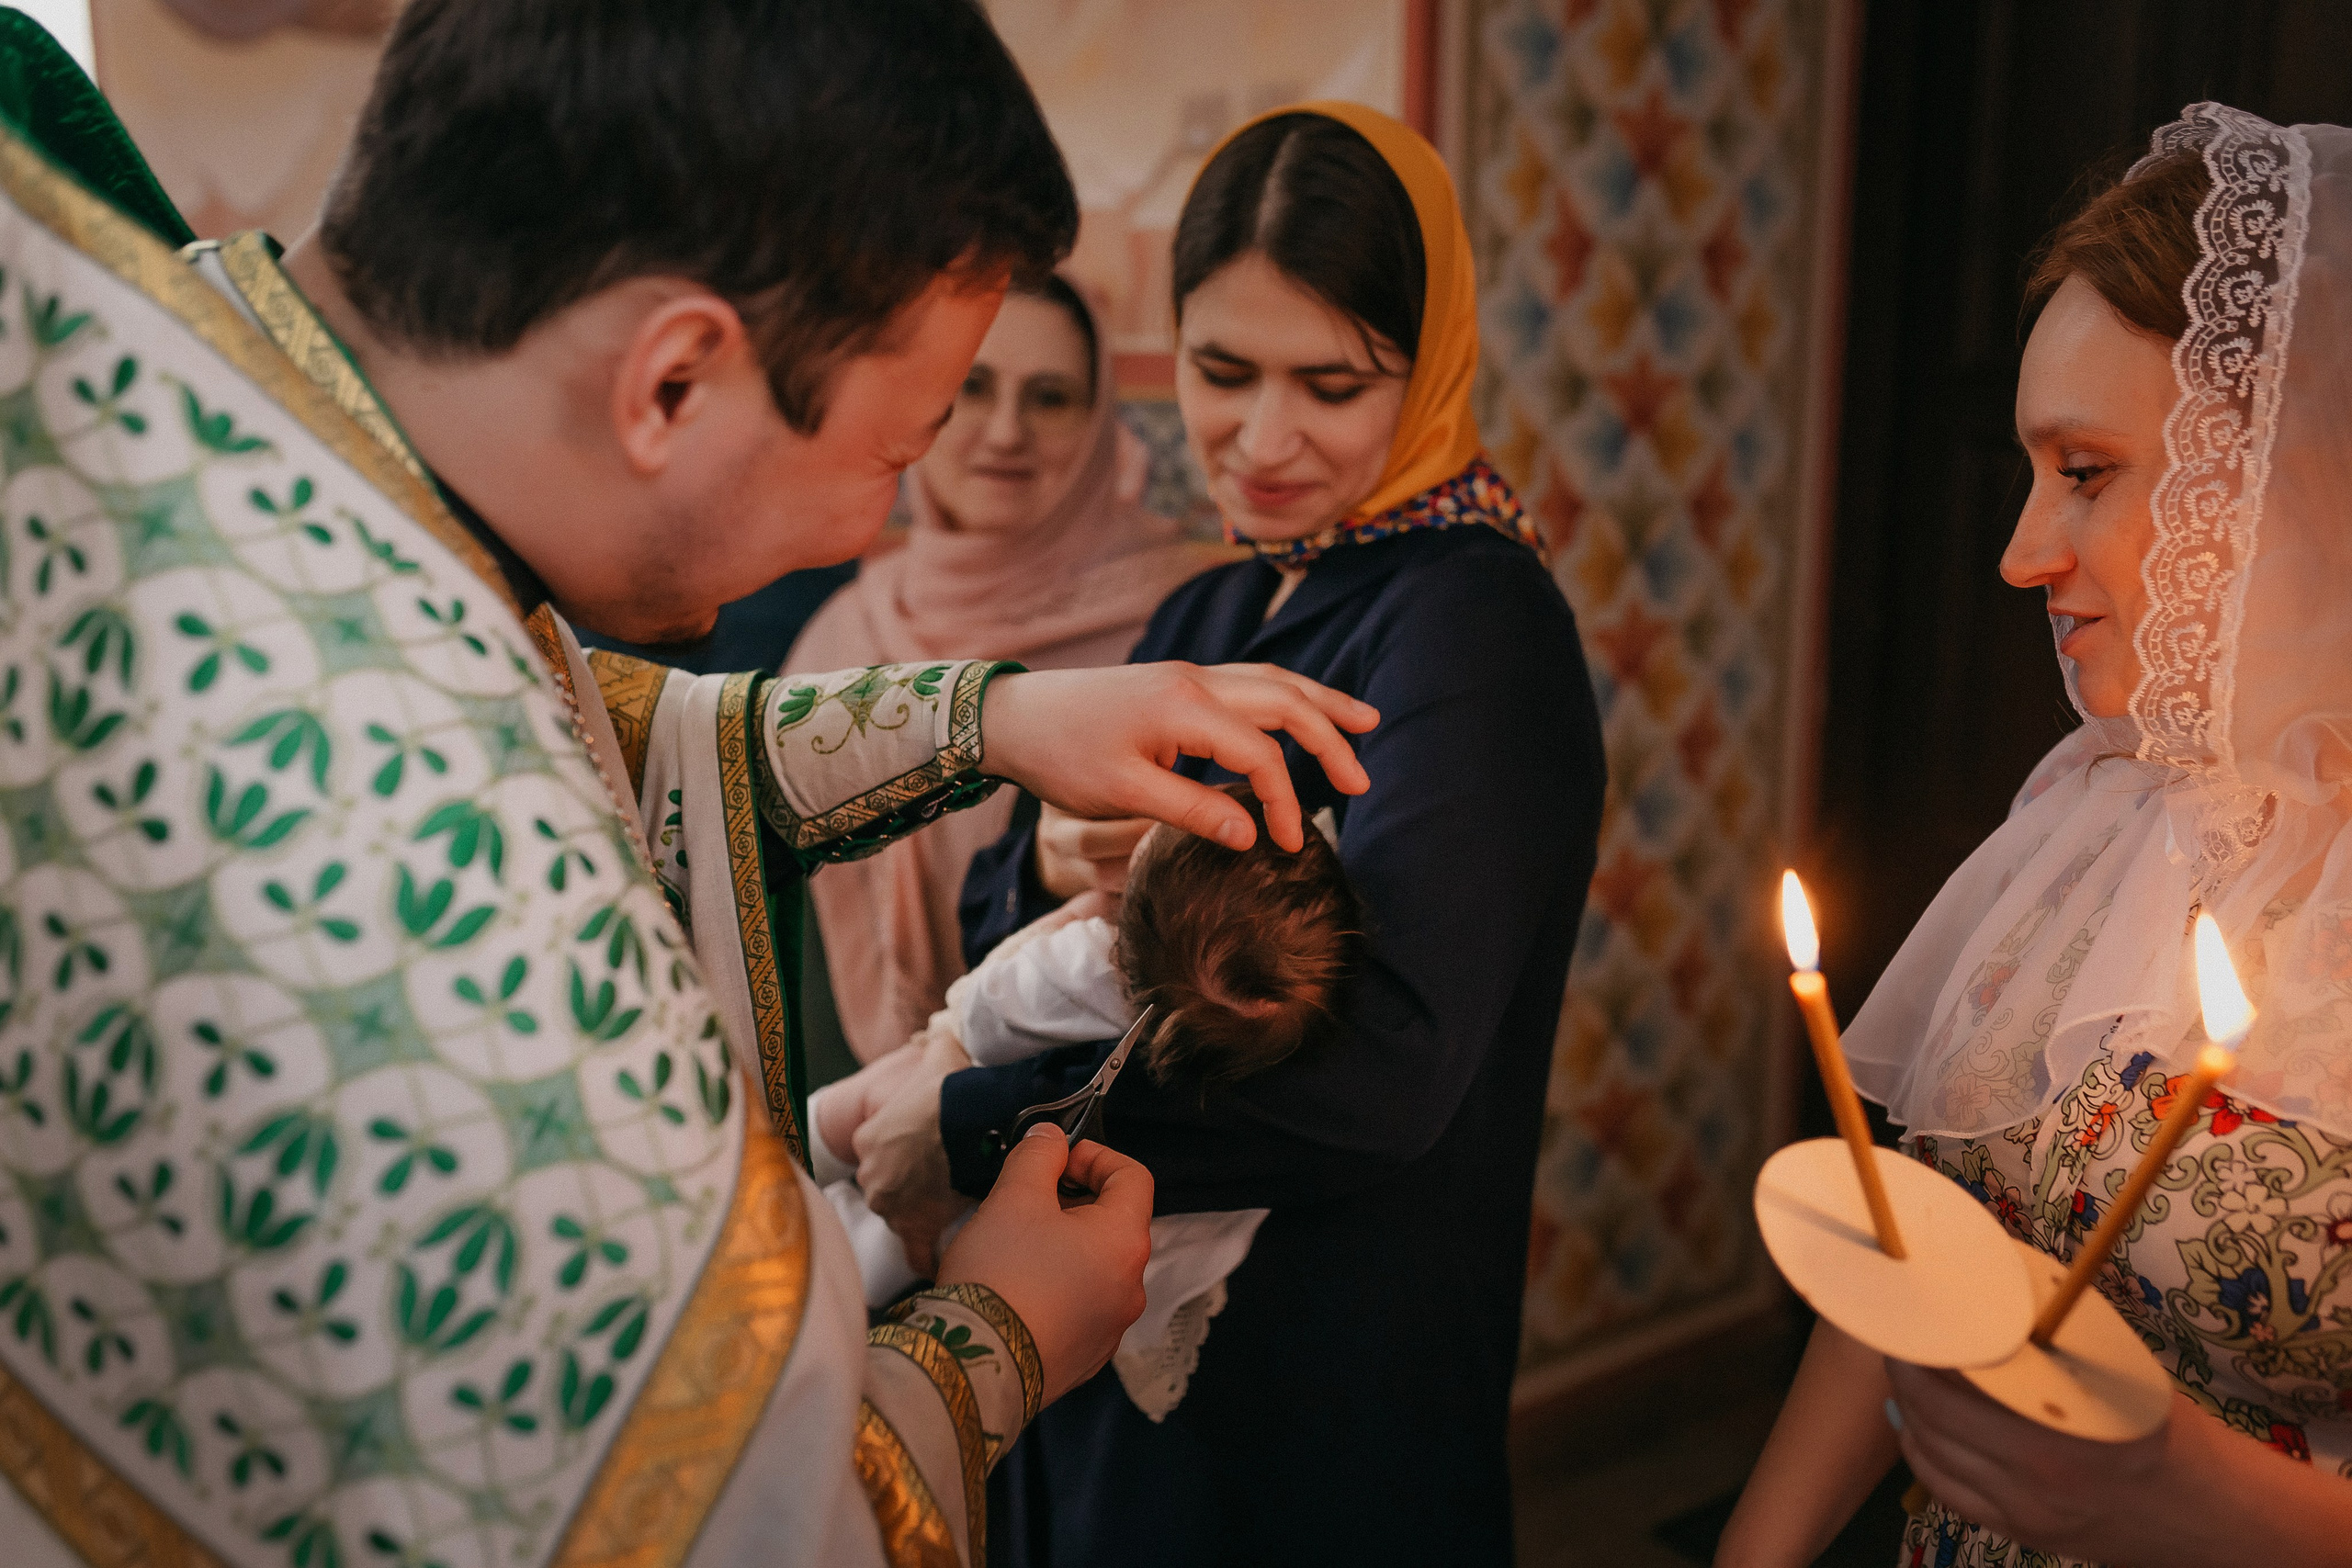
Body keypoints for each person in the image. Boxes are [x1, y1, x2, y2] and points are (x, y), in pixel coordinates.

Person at [0, 6, 1385, 1567]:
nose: (872, 525)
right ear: (670, 386)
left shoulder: (179, 426)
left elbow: (586, 726)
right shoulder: (486, 962)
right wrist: (998, 1330)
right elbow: (738, 1524)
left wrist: (992, 715)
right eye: (898, 449)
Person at [852, 103, 1608, 1565]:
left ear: (1430, 361)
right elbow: (1000, 915)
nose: (1260, 440)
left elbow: (1379, 1070)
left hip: (1313, 1377)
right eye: (1220, 371)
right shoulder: (1213, 606)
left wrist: (969, 1127)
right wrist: (1053, 852)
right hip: (1100, 1332)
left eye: (1332, 383)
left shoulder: (1472, 627)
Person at [1718, 104, 2352, 1568]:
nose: (2018, 553)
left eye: (2087, 470)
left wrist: (2179, 1495)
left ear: (2297, 476)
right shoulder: (2096, 807)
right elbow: (1931, 1249)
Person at [789, 274, 1229, 1067]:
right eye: (972, 387)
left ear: (1098, 421)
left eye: (1050, 398)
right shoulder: (843, 635)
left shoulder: (1182, 630)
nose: (1005, 432)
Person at [812, 784, 1354, 1418]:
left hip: (964, 1140)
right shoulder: (1238, 1074)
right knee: (890, 1258)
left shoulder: (1084, 964)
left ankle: (806, 1146)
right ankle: (833, 1284)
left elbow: (982, 1009)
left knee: (877, 1095)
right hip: (1050, 1229)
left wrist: (951, 1036)